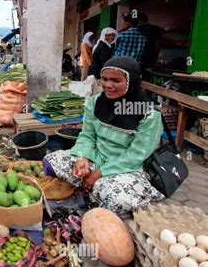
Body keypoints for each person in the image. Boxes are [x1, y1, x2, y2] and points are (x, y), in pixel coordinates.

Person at [43, 57, 165, 215]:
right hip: (97, 157)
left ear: (132, 81)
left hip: (126, 168)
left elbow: (136, 155)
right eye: (105, 79)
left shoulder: (148, 113)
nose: (108, 85)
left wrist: (99, 174)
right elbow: (87, 135)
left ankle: (98, 185)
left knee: (118, 199)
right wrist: (83, 157)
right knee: (53, 161)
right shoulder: (95, 102)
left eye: (115, 80)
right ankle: (94, 185)